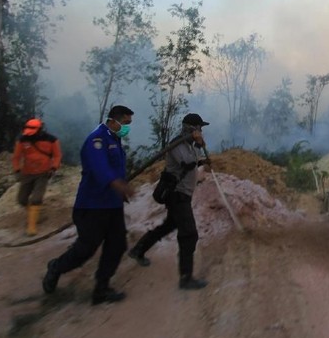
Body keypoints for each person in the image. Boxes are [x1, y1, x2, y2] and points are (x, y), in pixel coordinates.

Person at [42, 105, 136, 305]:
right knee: (86, 249)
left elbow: (116, 169)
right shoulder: (97, 139)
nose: (128, 128)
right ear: (114, 120)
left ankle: (101, 289)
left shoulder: (115, 139)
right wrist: (117, 184)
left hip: (112, 206)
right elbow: (99, 168)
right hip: (92, 206)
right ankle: (56, 267)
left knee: (117, 245)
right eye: (126, 123)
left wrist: (121, 190)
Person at [127, 113, 211, 290]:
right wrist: (198, 144)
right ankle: (186, 278)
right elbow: (187, 163)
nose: (201, 130)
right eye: (199, 128)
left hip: (183, 195)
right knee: (189, 234)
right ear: (191, 128)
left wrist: (201, 155)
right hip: (177, 194)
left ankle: (138, 250)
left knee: (169, 225)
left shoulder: (189, 145)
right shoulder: (177, 143)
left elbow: (194, 161)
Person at [12, 118, 62, 236]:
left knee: (36, 199)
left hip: (43, 173)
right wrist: (17, 170)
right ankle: (35, 215)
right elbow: (16, 157)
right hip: (27, 173)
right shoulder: (22, 140)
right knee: (22, 199)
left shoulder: (51, 140)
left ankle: (32, 227)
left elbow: (57, 155)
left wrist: (53, 168)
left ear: (40, 130)